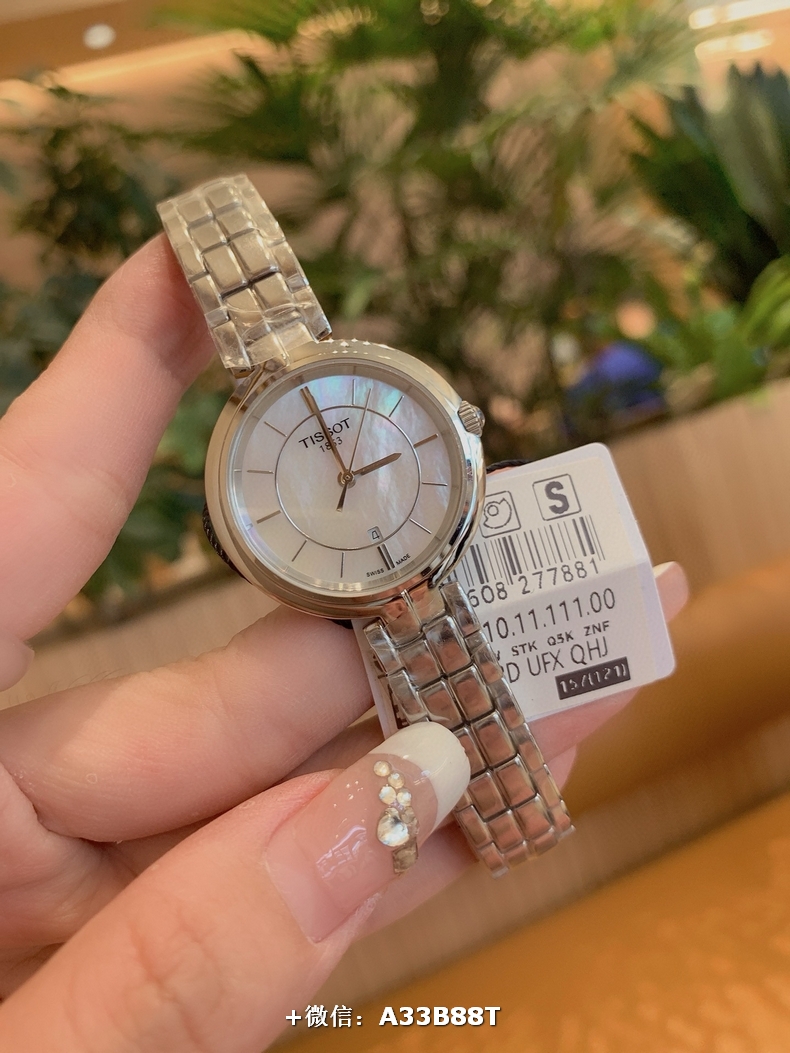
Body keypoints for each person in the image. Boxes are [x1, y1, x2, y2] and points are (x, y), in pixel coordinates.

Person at [0, 237, 688, 1051]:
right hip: (388, 603)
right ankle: (516, 822)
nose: (353, 477)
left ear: (458, 434)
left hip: (415, 590)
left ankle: (519, 822)